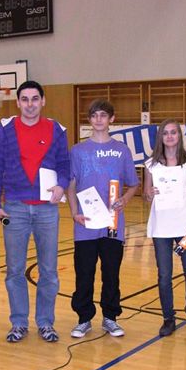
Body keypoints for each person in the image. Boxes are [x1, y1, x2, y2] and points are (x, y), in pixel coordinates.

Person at [0, 80, 70, 343]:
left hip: (47, 210)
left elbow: (65, 166)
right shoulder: (4, 130)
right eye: (25, 99)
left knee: (49, 271)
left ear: (43, 101)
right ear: (18, 102)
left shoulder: (56, 130)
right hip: (14, 209)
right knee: (14, 270)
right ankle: (19, 323)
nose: (30, 104)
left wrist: (62, 185)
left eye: (35, 99)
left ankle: (45, 323)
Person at [67, 99, 139, 338]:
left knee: (111, 273)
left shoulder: (122, 150)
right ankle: (83, 318)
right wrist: (74, 212)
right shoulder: (77, 151)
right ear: (89, 119)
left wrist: (125, 199)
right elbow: (71, 185)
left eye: (103, 115)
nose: (98, 119)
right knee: (84, 273)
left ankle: (110, 317)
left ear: (111, 119)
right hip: (85, 224)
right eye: (94, 115)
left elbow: (134, 184)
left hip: (112, 224)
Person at [144, 118, 186, 337]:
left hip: (185, 226)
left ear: (179, 136)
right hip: (161, 227)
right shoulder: (151, 165)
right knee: (164, 276)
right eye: (165, 133)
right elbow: (146, 195)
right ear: (160, 137)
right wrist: (149, 194)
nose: (169, 136)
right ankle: (168, 318)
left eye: (173, 132)